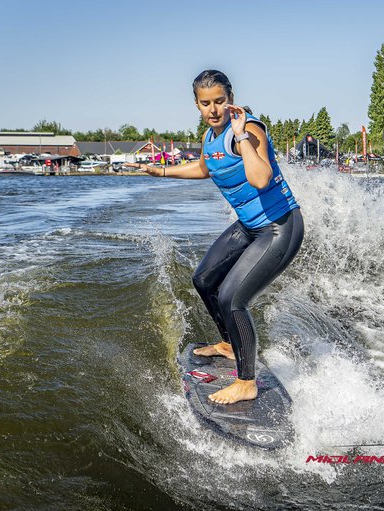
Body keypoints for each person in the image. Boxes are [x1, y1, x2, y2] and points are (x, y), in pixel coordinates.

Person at [127, 70, 304, 405]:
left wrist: (240, 135)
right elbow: (204, 168)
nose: (213, 109)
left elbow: (261, 178)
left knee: (231, 298)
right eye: (205, 103)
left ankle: (247, 382)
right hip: (250, 226)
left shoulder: (249, 129)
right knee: (205, 280)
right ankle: (229, 345)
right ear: (196, 104)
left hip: (280, 226)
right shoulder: (210, 136)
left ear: (230, 99)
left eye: (220, 101)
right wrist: (160, 171)